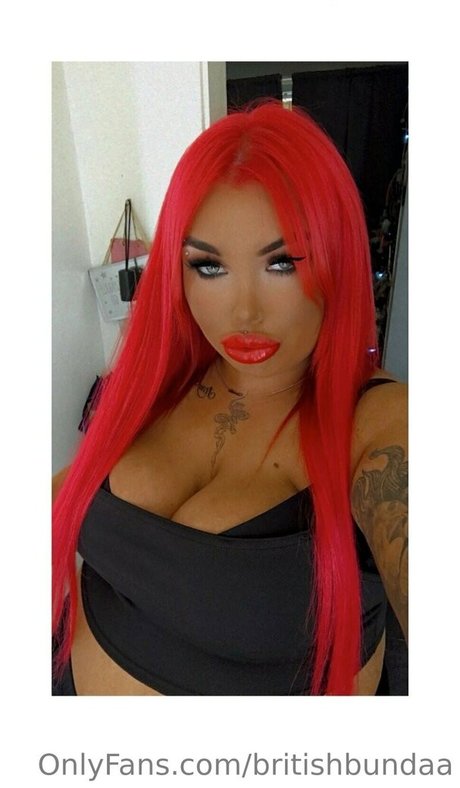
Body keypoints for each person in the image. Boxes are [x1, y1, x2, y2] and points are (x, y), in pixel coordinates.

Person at [52, 99, 408, 696]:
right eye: (209, 267)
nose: (243, 312)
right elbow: (66, 492)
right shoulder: (158, 385)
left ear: (338, 258)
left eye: (283, 263)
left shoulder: (379, 421)